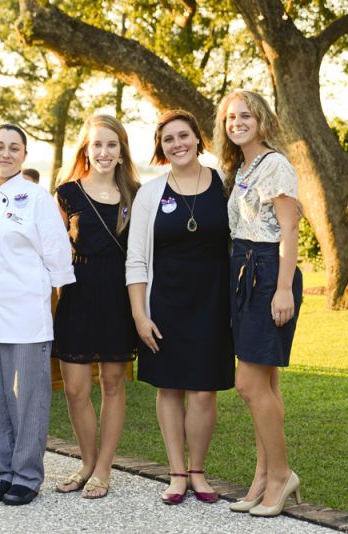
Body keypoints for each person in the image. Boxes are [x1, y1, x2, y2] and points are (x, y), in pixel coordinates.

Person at [125, 110, 234, 505]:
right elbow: (135, 258)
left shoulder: (224, 184)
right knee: (169, 389)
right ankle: (175, 473)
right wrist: (140, 314)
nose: (178, 144)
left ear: (197, 139)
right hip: (165, 305)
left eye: (184, 136)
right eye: (169, 139)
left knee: (204, 392)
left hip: (213, 305)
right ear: (161, 148)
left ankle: (198, 471)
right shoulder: (150, 193)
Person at [0, 124, 75, 506]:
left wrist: (58, 304)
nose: (5, 153)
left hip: (26, 312)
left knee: (28, 397)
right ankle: (4, 473)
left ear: (24, 155)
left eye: (14, 148)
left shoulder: (38, 198)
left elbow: (59, 256)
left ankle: (27, 475)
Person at [214, 89, 303, 517]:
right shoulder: (244, 166)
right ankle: (263, 476)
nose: (237, 123)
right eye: (231, 118)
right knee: (266, 384)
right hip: (245, 272)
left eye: (245, 115)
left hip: (269, 273)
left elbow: (290, 231)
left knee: (248, 384)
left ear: (262, 118)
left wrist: (283, 288)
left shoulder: (275, 165)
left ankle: (282, 475)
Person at [53, 114, 140, 499]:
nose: (104, 152)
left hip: (119, 298)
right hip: (77, 297)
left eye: (111, 145)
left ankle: (104, 467)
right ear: (86, 151)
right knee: (74, 388)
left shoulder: (137, 195)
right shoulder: (66, 193)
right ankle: (86, 462)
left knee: (112, 383)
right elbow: (53, 252)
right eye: (97, 145)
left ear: (121, 152)